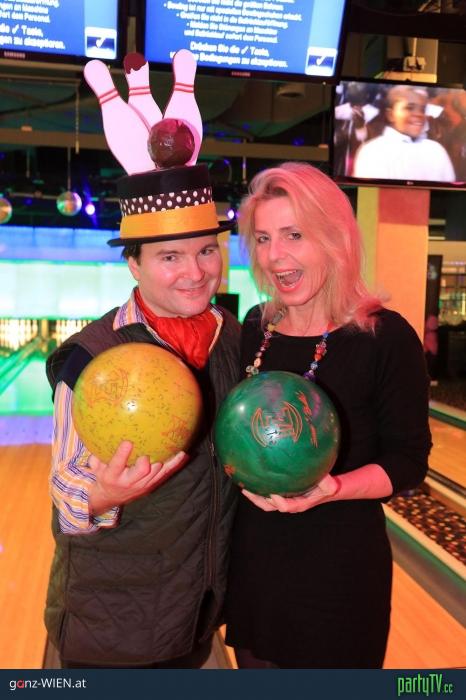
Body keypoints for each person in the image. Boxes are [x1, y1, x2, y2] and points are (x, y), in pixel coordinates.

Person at [44, 51, 241, 669]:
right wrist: (101, 495)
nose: (195, 272)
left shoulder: (233, 337)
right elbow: (66, 496)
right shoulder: (91, 357)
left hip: (196, 612)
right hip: (111, 627)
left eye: (206, 251)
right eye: (169, 257)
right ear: (133, 264)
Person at [224, 162, 432, 668]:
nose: (276, 255)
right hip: (255, 561)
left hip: (338, 572)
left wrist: (333, 488)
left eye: (294, 234)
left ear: (334, 237)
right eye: (264, 238)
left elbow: (408, 461)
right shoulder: (256, 327)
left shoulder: (383, 337)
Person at [353, 85, 456, 182]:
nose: (419, 114)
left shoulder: (437, 150)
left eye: (423, 109)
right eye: (409, 108)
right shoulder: (373, 151)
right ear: (391, 115)